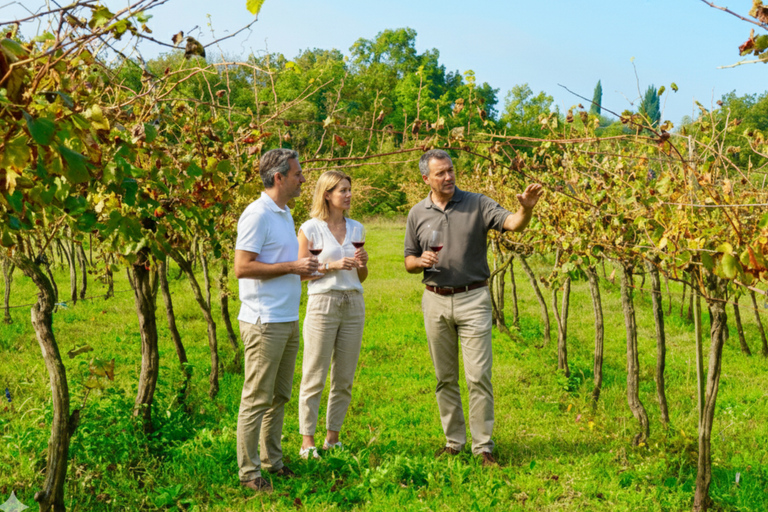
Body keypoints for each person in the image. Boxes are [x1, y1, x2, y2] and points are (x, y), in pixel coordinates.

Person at [403, 149, 543, 466]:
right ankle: (454, 442)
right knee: (445, 377)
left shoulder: (478, 203)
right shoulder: (417, 213)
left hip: (473, 298)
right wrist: (419, 262)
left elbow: (513, 223)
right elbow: (409, 260)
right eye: (440, 173)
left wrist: (526, 211)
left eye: (451, 170)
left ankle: (483, 448)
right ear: (426, 178)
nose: (449, 176)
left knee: (478, 376)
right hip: (435, 299)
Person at [233, 148, 319, 493]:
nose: (303, 178)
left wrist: (307, 270)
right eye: (298, 173)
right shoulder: (256, 215)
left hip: (286, 318)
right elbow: (243, 268)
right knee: (256, 398)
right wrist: (292, 267)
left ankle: (273, 462)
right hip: (263, 320)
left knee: (279, 395)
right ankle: (249, 472)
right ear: (279, 177)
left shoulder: (284, 214)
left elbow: (284, 267)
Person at [296, 171, 369, 459]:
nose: (349, 195)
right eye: (343, 190)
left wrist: (361, 264)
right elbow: (300, 274)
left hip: (353, 303)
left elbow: (361, 276)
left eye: (350, 189)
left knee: (344, 376)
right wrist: (331, 266)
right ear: (327, 194)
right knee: (314, 373)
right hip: (323, 303)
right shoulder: (310, 229)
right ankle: (307, 442)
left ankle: (333, 438)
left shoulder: (358, 229)